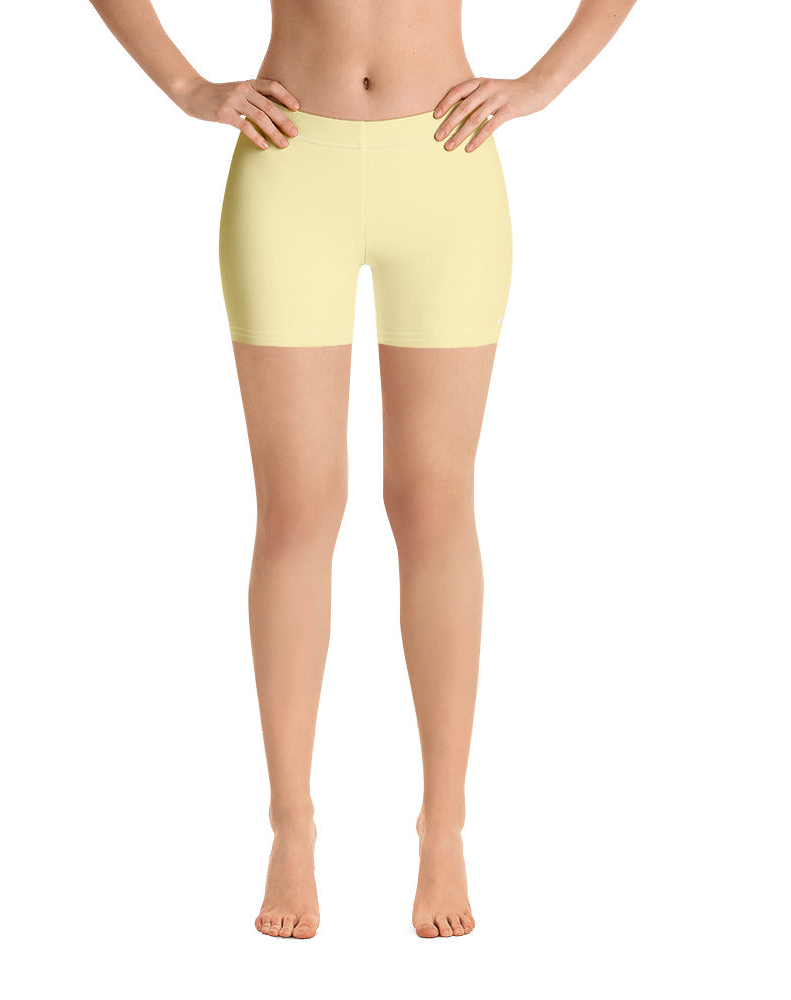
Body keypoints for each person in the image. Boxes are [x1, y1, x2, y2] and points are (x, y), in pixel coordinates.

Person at [88, 0, 638, 939]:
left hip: (446, 165)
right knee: (298, 508)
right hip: (289, 164)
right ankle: (291, 828)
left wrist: (543, 84)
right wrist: (186, 86)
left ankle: (444, 827)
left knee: (433, 503)